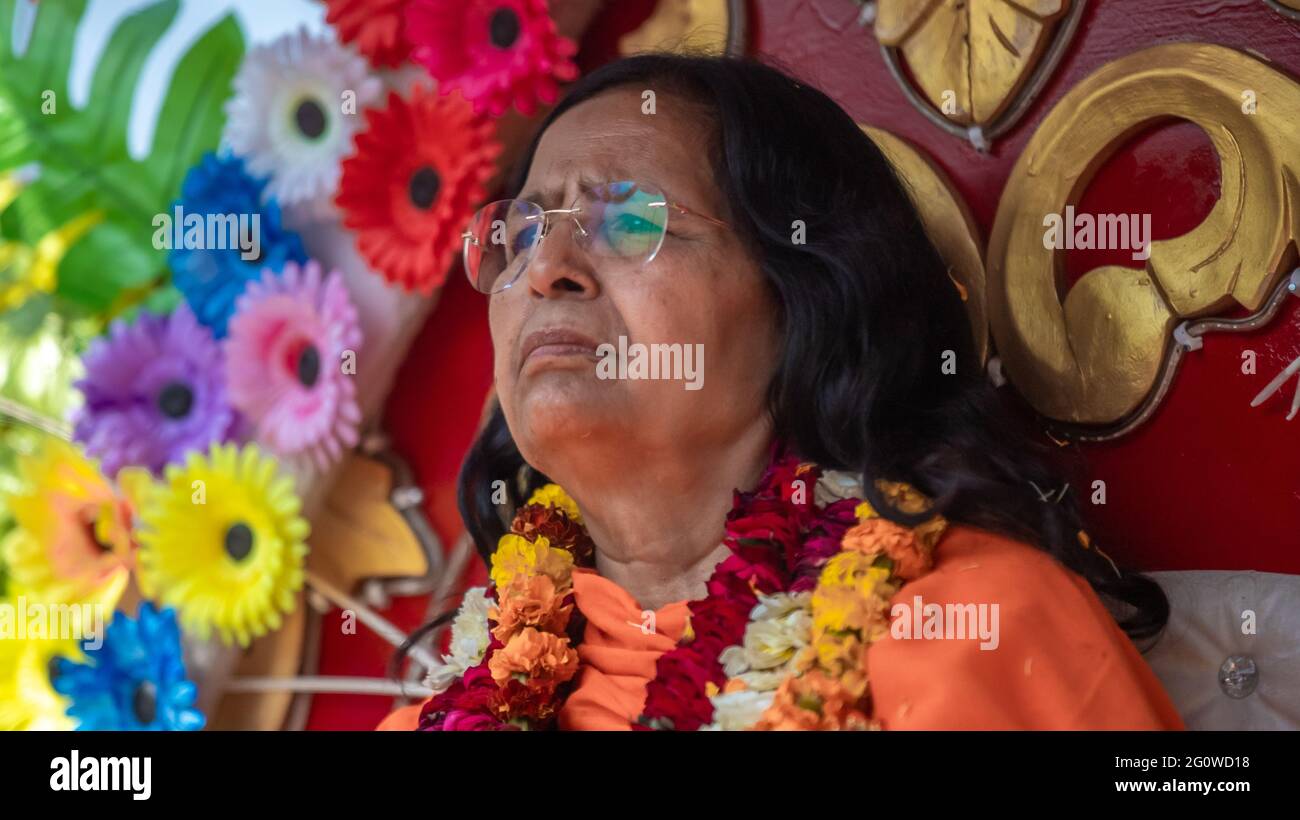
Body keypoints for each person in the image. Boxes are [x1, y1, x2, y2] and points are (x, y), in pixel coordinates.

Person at [381, 54, 1183, 731]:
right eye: (521, 232)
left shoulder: (977, 629)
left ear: (802, 298)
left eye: (628, 220)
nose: (546, 265)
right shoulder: (439, 713)